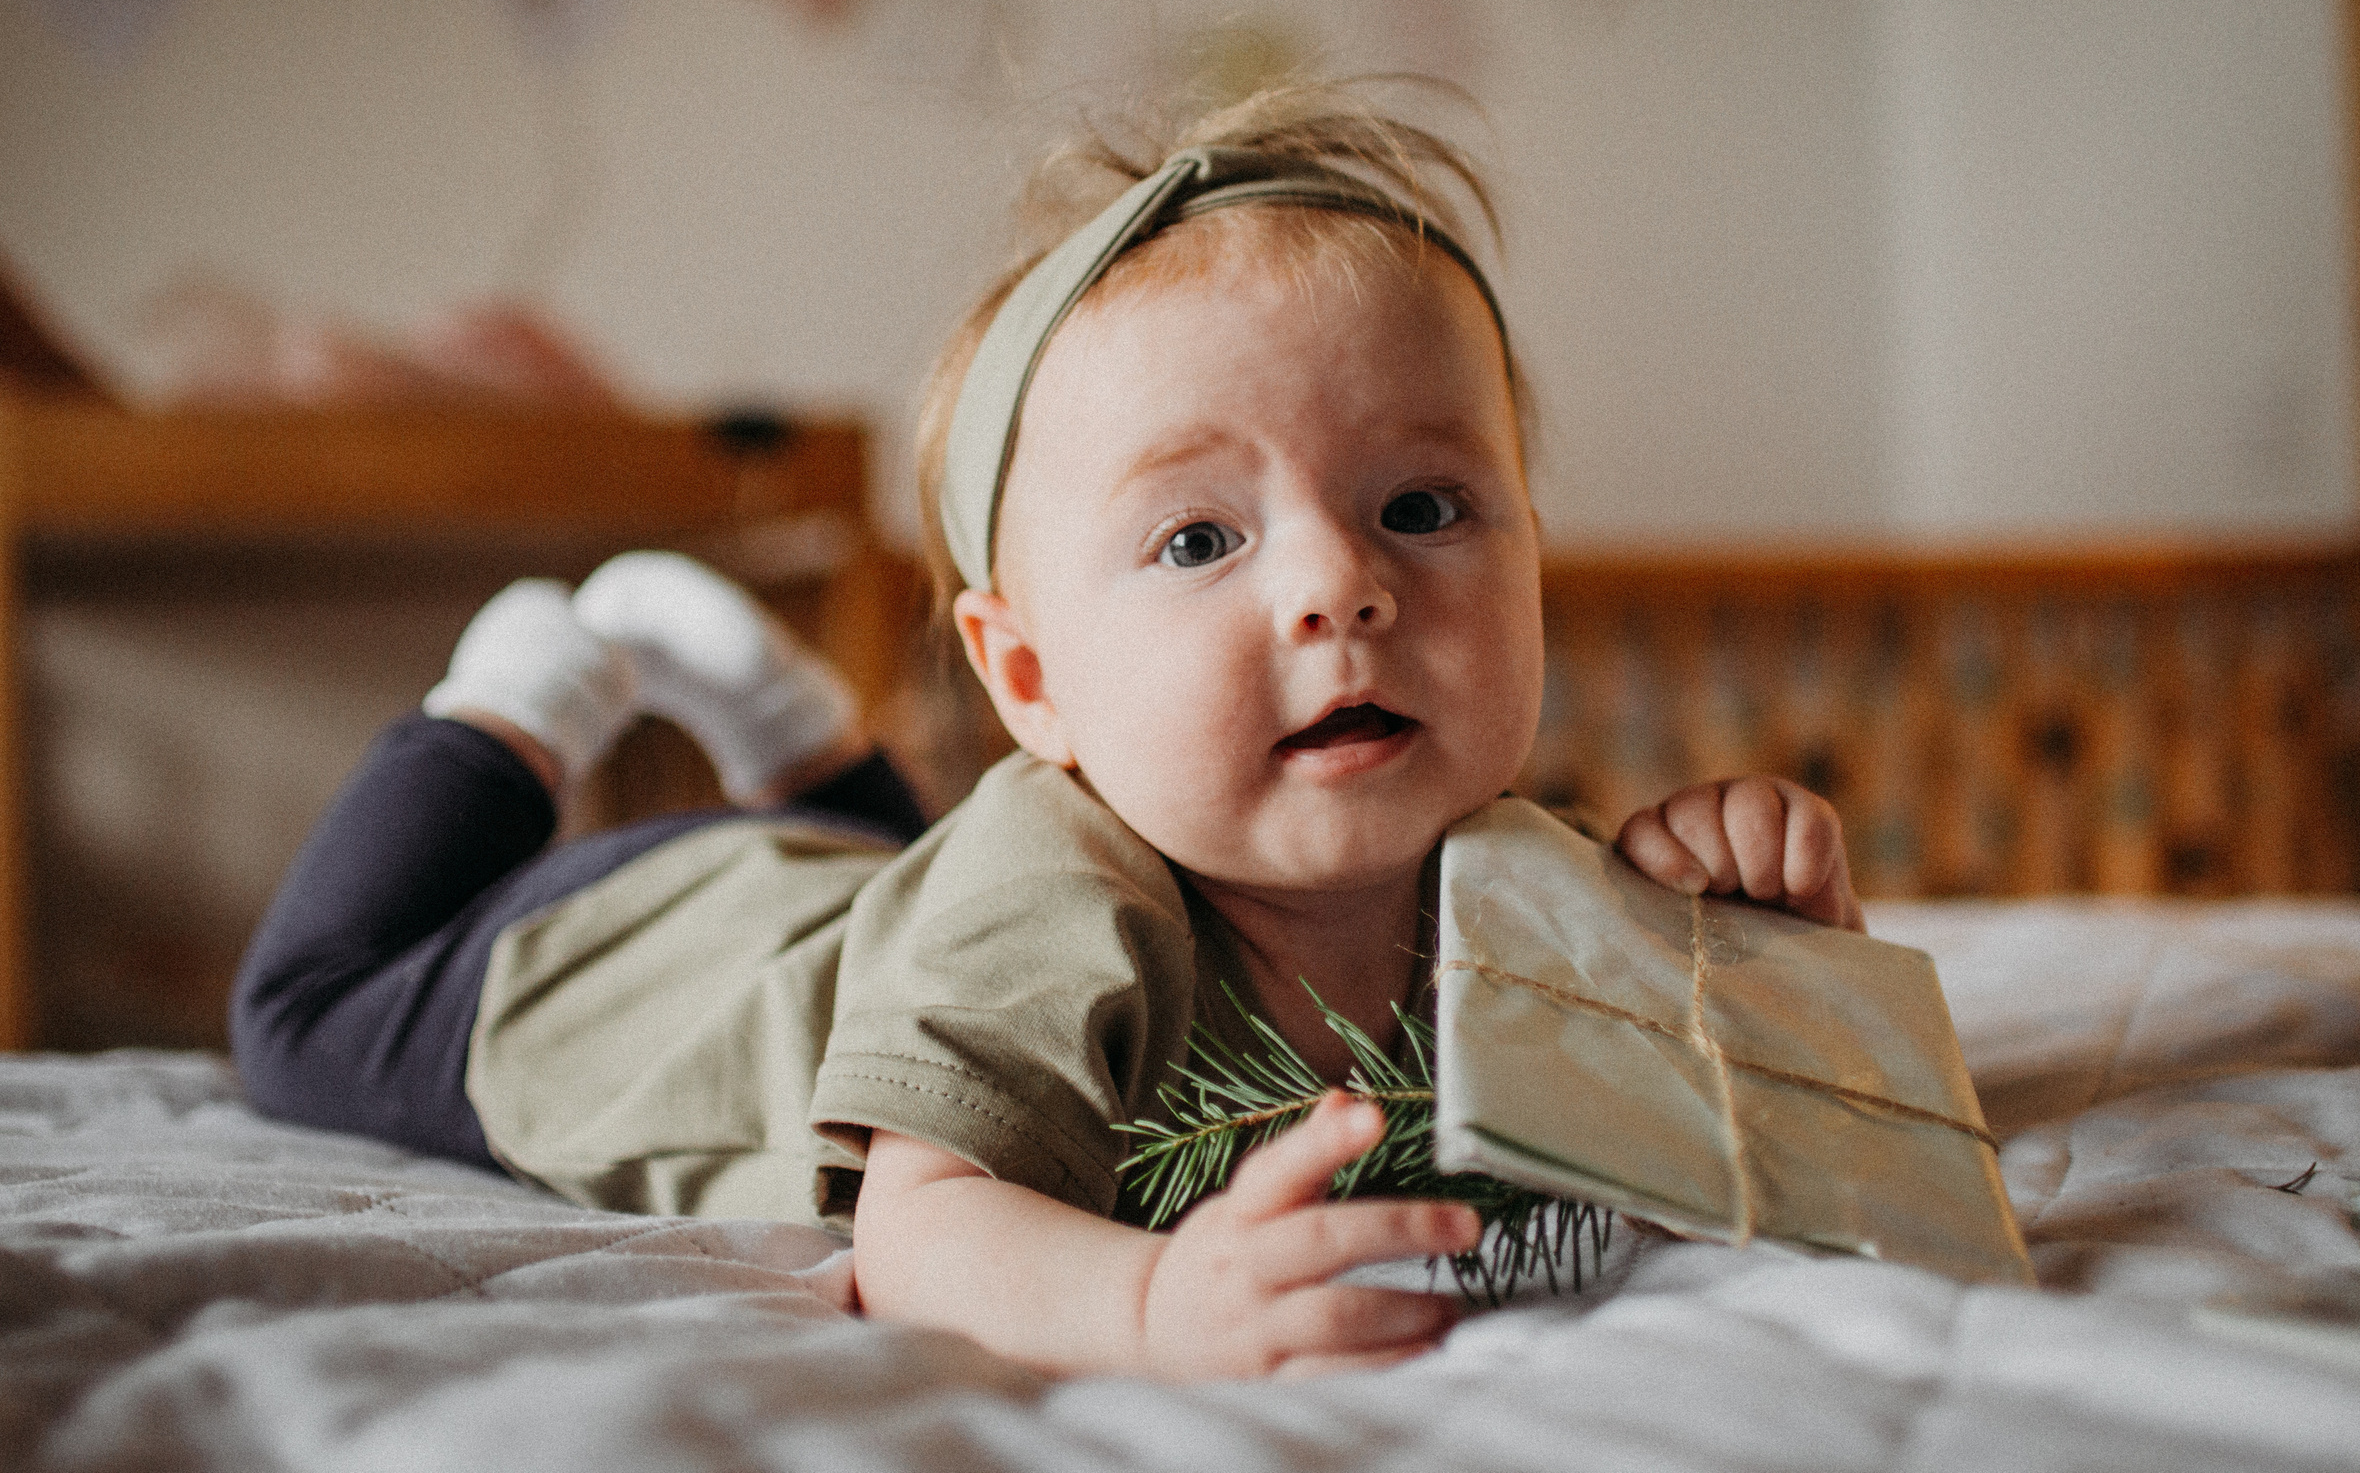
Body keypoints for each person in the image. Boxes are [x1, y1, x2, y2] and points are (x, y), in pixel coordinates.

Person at [232, 80, 1859, 1382]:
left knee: (921, 898)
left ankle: (780, 718)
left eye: (1421, 507)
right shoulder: (1059, 895)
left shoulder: (1516, 875)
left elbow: (1747, 1113)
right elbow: (923, 1224)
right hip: (623, 957)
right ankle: (518, 700)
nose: (1339, 586)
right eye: (1201, 538)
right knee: (300, 1018)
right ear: (1029, 684)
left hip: (881, 902)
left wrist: (1766, 934)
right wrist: (1154, 1306)